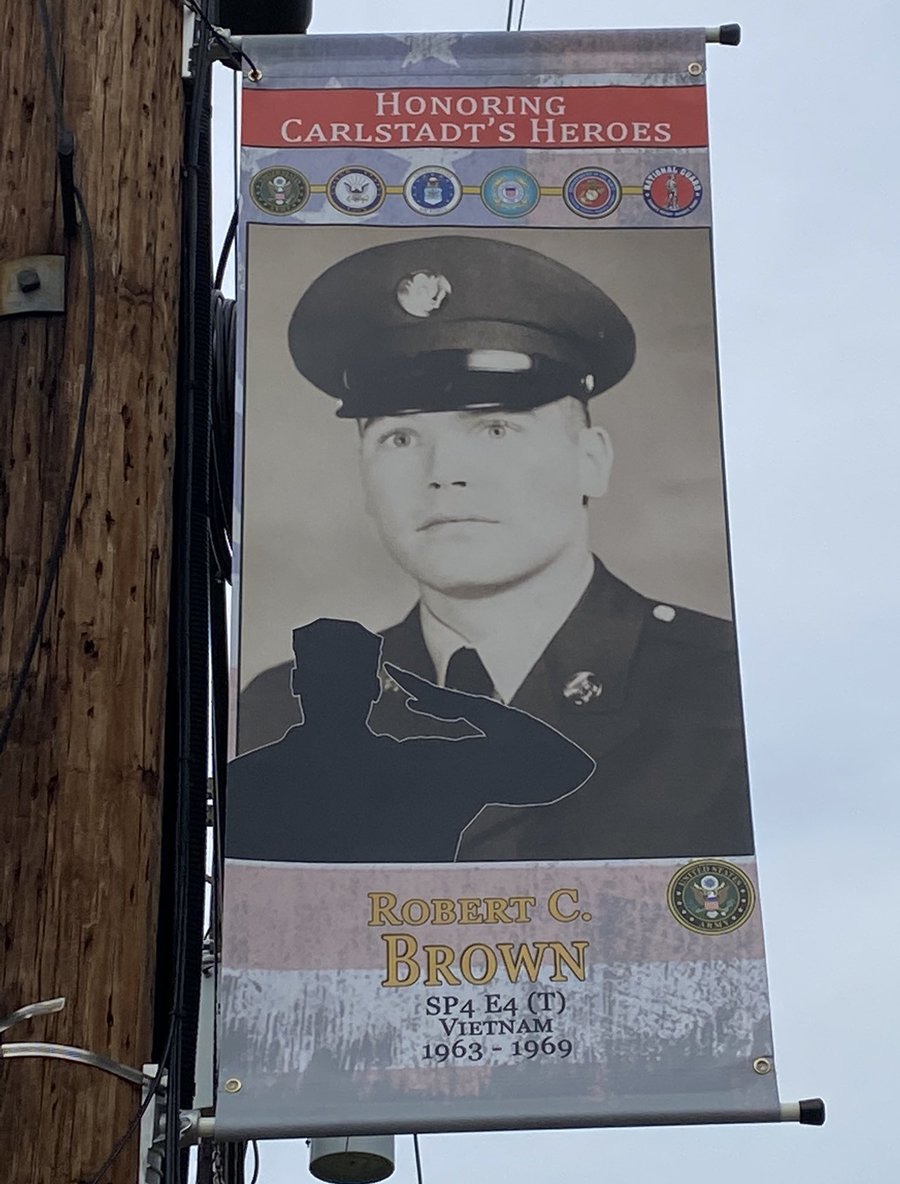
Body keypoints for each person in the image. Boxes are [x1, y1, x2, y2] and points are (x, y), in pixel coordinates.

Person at [236, 234, 755, 862]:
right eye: (400, 439)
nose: (444, 473)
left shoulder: (723, 683)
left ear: (591, 461)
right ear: (364, 477)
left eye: (495, 428)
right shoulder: (277, 710)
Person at [226, 618, 595, 863]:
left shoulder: (245, 780)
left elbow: (569, 768)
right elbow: (566, 765)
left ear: (297, 684)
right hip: (407, 951)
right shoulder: (428, 769)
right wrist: (468, 707)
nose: (336, 694)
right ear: (373, 690)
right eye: (330, 682)